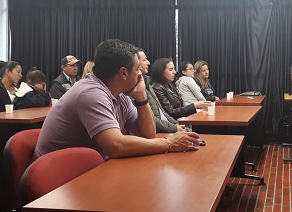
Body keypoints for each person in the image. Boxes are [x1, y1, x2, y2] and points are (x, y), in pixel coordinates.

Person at [33, 39, 200, 160]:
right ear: (123, 73)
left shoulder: (120, 93)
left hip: (90, 169)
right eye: (137, 69)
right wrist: (169, 143)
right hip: (59, 182)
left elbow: (148, 134)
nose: (141, 74)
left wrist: (141, 97)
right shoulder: (90, 93)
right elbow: (116, 146)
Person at [135, 48, 183, 133]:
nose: (148, 63)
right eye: (145, 60)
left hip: (167, 127)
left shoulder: (147, 81)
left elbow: (161, 111)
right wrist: (174, 127)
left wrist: (176, 124)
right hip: (157, 132)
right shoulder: (134, 87)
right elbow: (151, 118)